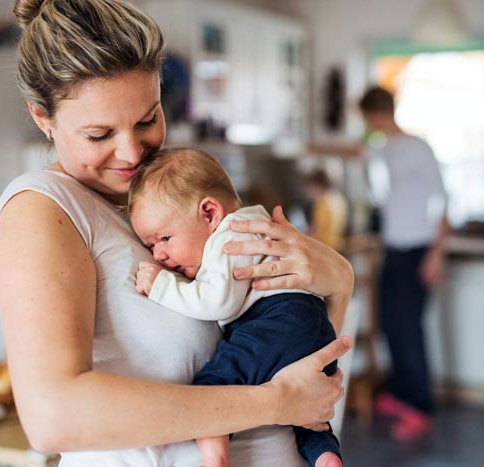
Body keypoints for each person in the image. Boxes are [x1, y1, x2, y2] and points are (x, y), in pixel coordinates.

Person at [0, 1, 353, 466]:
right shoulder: (42, 211)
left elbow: (297, 367)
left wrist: (339, 283)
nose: (131, 153)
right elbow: (51, 418)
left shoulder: (167, 199)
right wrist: (276, 403)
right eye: (100, 134)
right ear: (43, 117)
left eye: (147, 120)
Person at [127, 148, 342, 467]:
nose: (158, 254)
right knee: (307, 415)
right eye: (150, 246)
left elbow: (218, 301)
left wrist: (162, 285)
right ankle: (325, 455)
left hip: (276, 319)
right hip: (309, 325)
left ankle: (215, 457)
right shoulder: (253, 221)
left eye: (165, 238)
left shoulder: (232, 236)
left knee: (213, 388)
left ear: (210, 213)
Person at [359, 86, 448, 441]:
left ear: (376, 114)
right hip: (393, 250)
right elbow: (355, 152)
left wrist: (437, 253)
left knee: (409, 329)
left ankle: (420, 407)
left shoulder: (418, 148)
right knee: (391, 327)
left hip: (418, 251)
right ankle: (399, 395)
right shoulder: (383, 148)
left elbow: (442, 200)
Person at [302, 169, 348, 252]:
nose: (308, 191)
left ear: (316, 186)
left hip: (323, 248)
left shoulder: (322, 203)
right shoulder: (337, 197)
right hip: (337, 246)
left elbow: (316, 231)